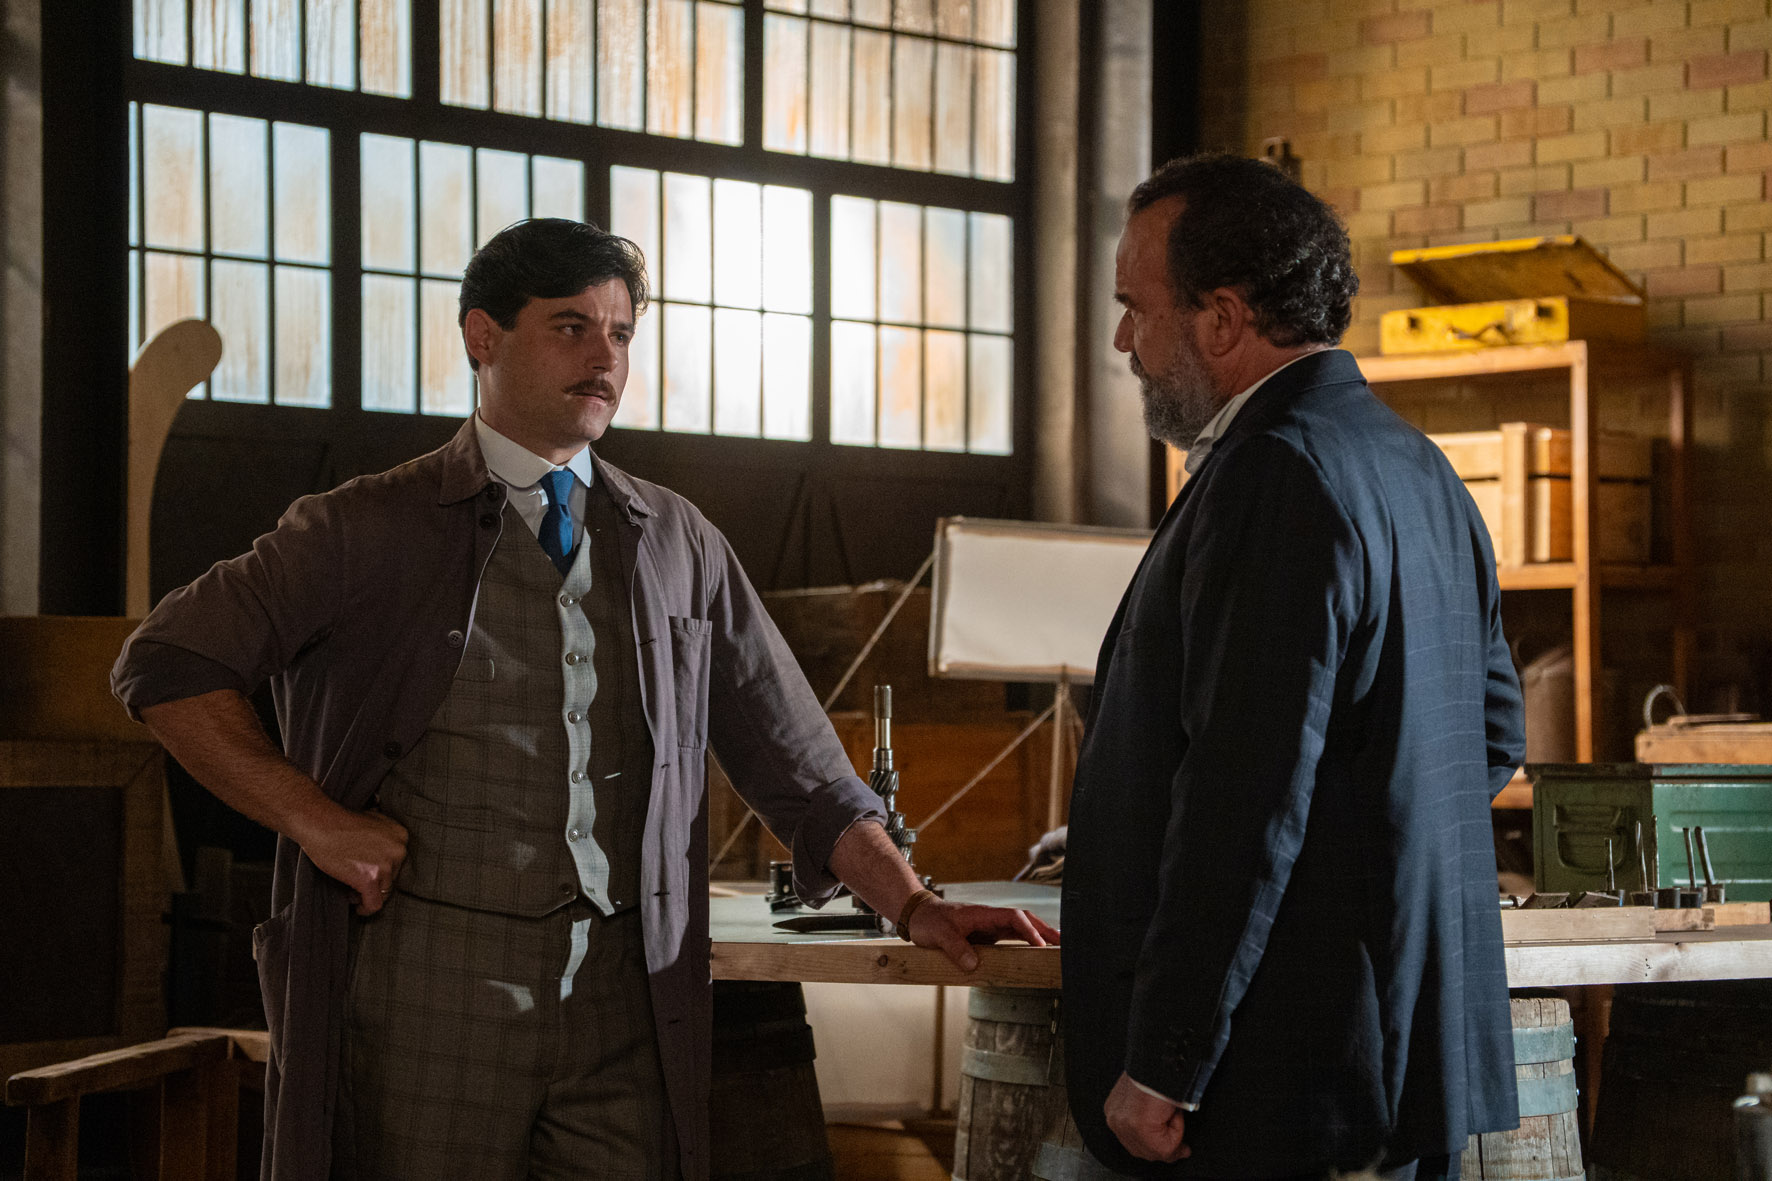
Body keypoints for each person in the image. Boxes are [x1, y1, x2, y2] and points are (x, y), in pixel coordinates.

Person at [112, 217, 1057, 1181]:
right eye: (571, 327)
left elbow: (799, 759)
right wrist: (315, 820)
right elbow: (165, 665)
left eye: (621, 333)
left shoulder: (679, 540)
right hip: (424, 995)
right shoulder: (362, 527)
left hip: (626, 1002)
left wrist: (914, 903)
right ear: (483, 335)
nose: (605, 358)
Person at [1061, 153, 1525, 1179]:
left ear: (1222, 320)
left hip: (1283, 1076)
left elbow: (1243, 797)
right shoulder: (1419, 466)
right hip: (1395, 1065)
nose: (1122, 341)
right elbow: (1489, 735)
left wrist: (1166, 1061)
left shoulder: (1274, 473)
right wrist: (1375, 852)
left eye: (1135, 309)